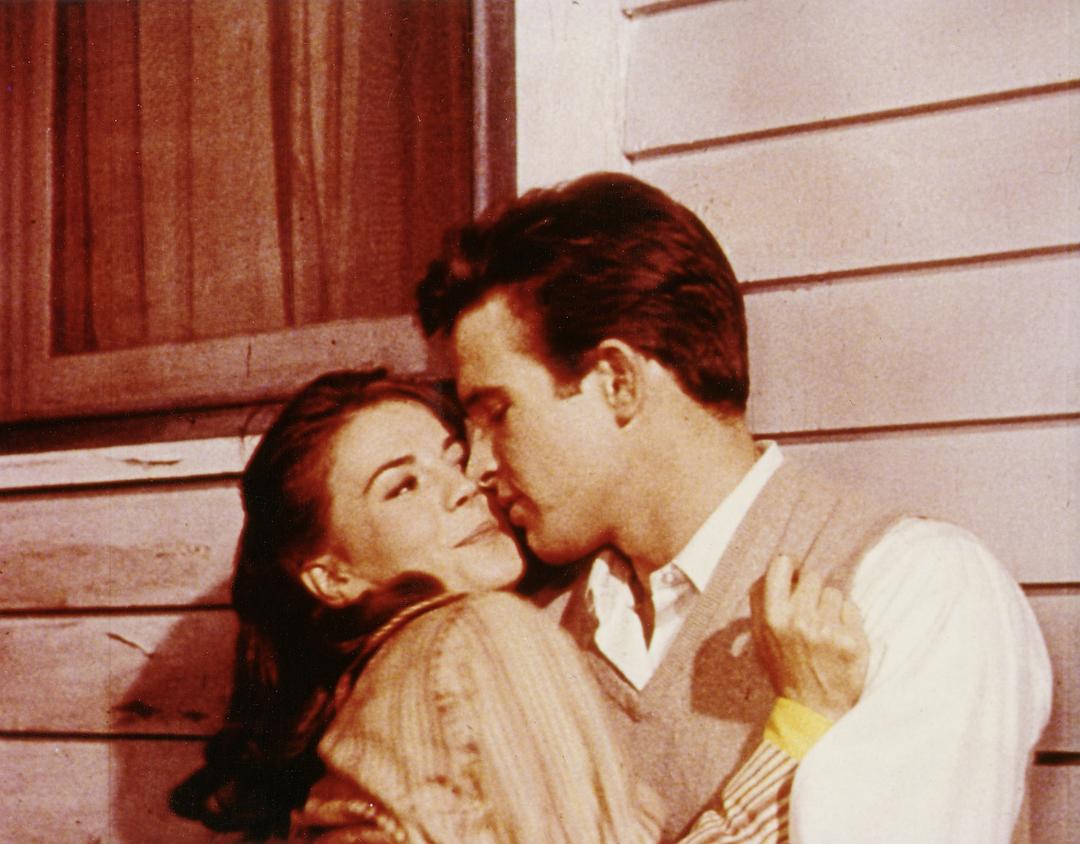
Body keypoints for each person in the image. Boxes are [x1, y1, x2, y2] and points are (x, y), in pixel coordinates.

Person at [416, 172, 1055, 842]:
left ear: (617, 381)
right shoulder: (537, 640)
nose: (479, 467)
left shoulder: (917, 588)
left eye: (497, 413)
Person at [171, 369, 869, 843]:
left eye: (451, 459)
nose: (463, 487)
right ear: (331, 577)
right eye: (402, 487)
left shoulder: (377, 685)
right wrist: (800, 727)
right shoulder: (474, 636)